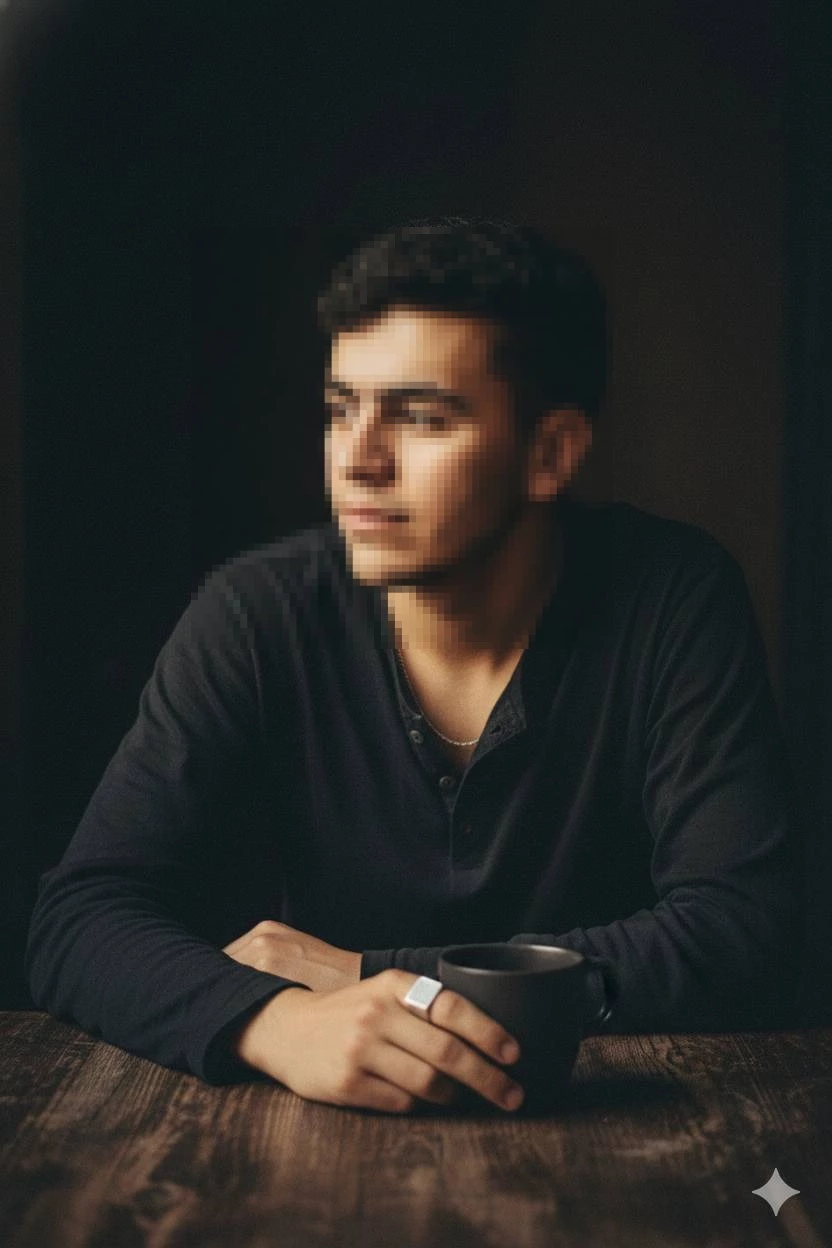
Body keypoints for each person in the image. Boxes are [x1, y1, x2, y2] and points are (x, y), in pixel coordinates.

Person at [26, 218, 801, 1117]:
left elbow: (746, 932)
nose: (358, 461)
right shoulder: (257, 611)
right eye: (340, 409)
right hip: (318, 1134)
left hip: (628, 1126)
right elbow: (78, 918)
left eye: (421, 417)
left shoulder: (672, 595)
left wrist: (371, 978)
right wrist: (276, 1024)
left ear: (550, 453)